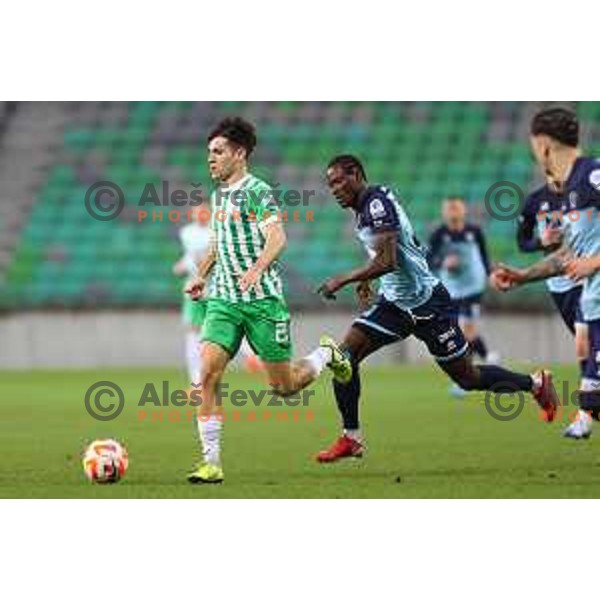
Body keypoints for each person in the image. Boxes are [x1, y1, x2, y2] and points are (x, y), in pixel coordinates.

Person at [313, 154, 558, 462]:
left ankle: (535, 384)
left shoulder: (376, 204)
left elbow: (387, 260)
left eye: (339, 180)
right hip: (395, 305)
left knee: (467, 378)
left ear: (357, 174)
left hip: (429, 303)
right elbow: (386, 257)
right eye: (330, 184)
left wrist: (345, 279)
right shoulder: (366, 207)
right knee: (344, 359)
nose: (334, 189)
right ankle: (351, 438)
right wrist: (366, 278)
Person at [184, 118, 350, 483]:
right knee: (208, 372)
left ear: (239, 154)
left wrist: (258, 268)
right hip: (224, 301)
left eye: (218, 152)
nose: (210, 159)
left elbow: (277, 239)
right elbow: (218, 243)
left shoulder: (257, 191)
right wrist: (201, 274)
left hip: (263, 302)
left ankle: (325, 355)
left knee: (284, 387)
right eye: (208, 152)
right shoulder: (218, 196)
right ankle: (211, 463)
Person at [490, 107, 600, 439]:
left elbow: (585, 259)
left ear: (543, 145)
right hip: (593, 305)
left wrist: (594, 263)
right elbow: (568, 255)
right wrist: (523, 275)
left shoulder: (593, 175)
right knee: (593, 399)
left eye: (534, 146)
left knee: (593, 396)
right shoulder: (568, 191)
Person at [429, 197, 497, 396]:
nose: (453, 212)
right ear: (444, 212)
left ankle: (465, 378)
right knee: (461, 332)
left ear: (463, 210)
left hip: (474, 288)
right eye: (449, 208)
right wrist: (443, 262)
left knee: (466, 331)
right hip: (452, 290)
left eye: (456, 207)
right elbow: (429, 260)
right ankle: (488, 358)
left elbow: (484, 256)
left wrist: (490, 275)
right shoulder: (439, 235)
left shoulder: (474, 232)